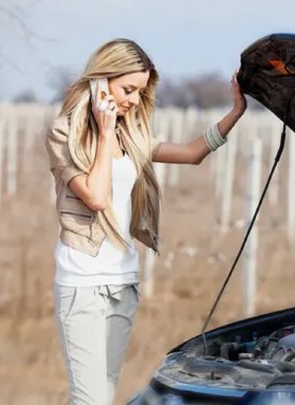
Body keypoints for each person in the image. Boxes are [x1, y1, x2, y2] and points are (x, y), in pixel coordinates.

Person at [44, 38, 247, 405]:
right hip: (83, 288)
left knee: (103, 396)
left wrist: (235, 112)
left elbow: (191, 153)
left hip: (124, 285)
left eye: (140, 91)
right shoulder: (64, 134)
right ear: (100, 80)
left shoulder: (130, 133)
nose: (134, 101)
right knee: (90, 401)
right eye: (128, 89)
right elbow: (96, 197)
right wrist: (105, 134)